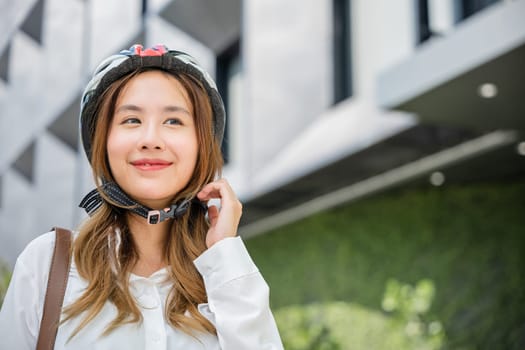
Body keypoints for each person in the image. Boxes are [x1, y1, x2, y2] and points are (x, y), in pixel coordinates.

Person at [0, 44, 284, 349]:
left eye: (174, 121)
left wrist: (225, 253)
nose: (151, 140)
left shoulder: (224, 274)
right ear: (103, 144)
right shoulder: (46, 264)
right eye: (131, 120)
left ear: (202, 144)